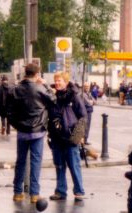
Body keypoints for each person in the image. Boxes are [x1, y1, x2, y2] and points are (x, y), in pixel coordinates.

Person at [8, 63, 56, 203]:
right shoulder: (40, 88)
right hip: (38, 130)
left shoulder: (16, 89)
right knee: (36, 161)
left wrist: (16, 125)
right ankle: (34, 194)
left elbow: (9, 110)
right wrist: (46, 85)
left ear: (25, 73)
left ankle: (17, 192)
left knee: (20, 161)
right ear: (37, 74)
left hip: (22, 131)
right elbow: (53, 100)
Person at [47, 71, 87, 201]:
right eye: (56, 80)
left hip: (70, 136)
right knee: (59, 165)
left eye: (60, 81)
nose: (57, 83)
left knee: (74, 165)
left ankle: (79, 191)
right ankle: (60, 191)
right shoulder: (53, 96)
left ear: (66, 82)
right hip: (56, 136)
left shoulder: (74, 96)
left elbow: (83, 115)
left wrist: (79, 136)